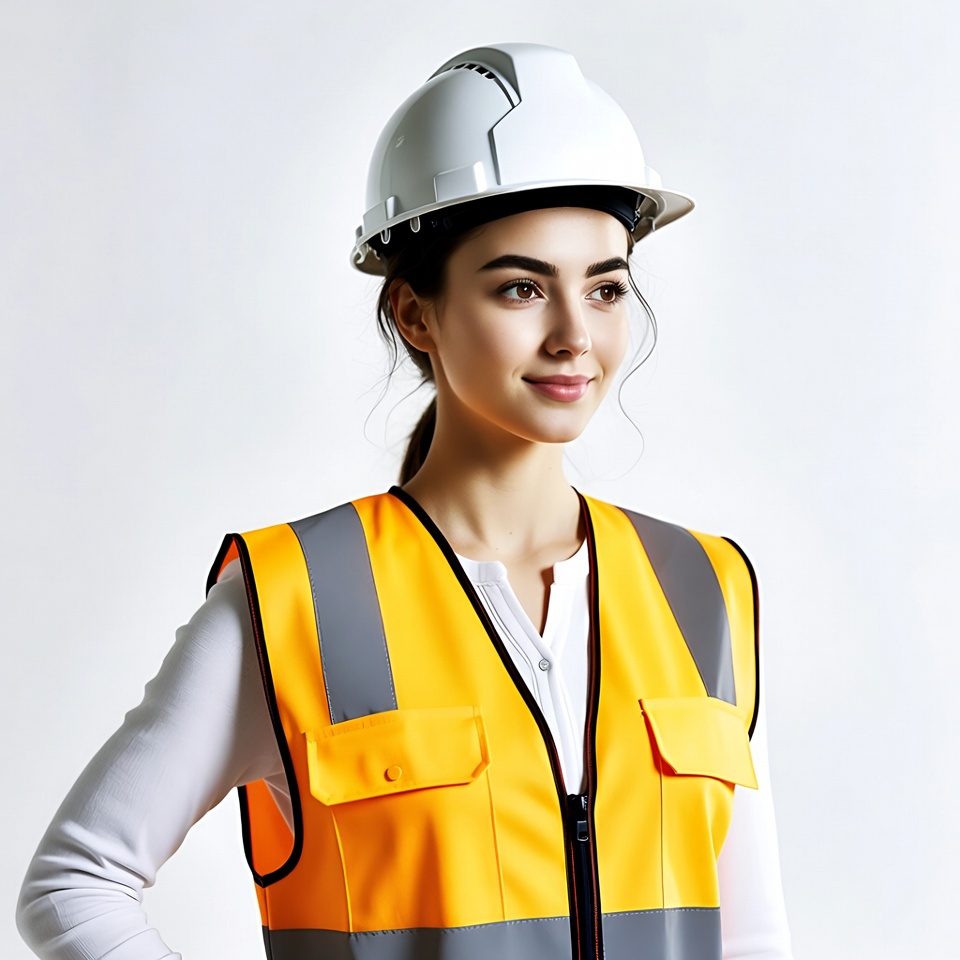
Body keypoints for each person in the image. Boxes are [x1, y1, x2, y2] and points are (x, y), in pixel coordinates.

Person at [17, 42, 793, 960]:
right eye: (519, 287)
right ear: (414, 314)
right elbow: (74, 884)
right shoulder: (293, 598)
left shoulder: (706, 589)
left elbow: (748, 935)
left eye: (606, 287)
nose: (574, 335)